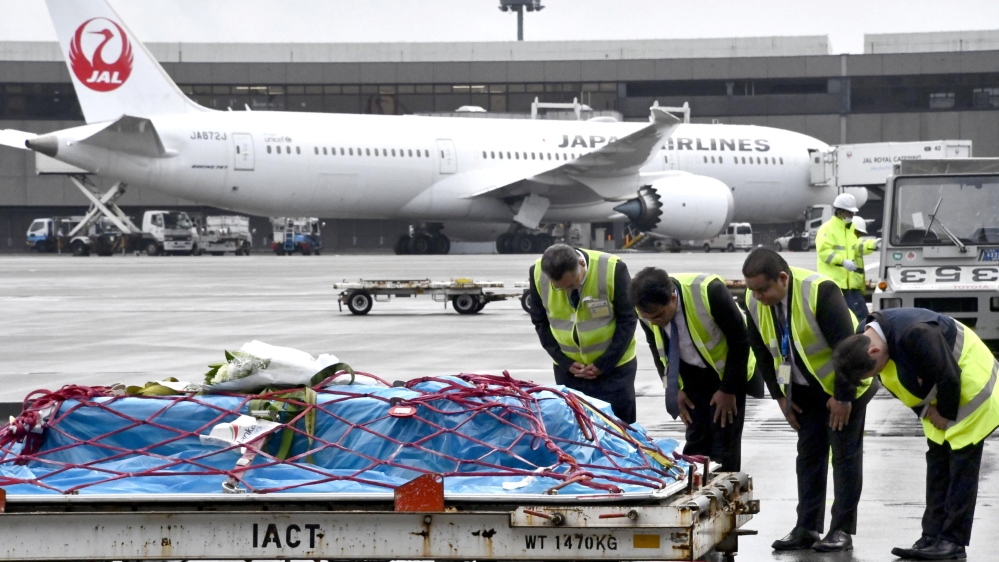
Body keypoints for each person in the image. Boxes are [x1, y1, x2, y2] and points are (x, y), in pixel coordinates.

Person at [833, 308, 999, 560]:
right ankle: (931, 536)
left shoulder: (916, 334)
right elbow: (898, 381)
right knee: (937, 464)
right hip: (944, 395)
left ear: (874, 352)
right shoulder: (865, 337)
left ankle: (953, 542)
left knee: (961, 468)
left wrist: (944, 412)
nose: (875, 376)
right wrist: (925, 409)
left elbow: (950, 377)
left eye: (871, 373)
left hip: (975, 388)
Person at [742, 248, 877, 553]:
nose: (758, 297)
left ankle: (841, 529)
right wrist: (780, 396)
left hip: (845, 384)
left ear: (783, 278)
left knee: (843, 456)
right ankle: (807, 527)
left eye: (763, 289)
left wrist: (842, 398)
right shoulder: (754, 300)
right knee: (809, 456)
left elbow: (846, 349)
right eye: (753, 290)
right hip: (804, 389)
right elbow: (762, 350)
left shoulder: (820, 292)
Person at [629, 267, 764, 472]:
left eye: (658, 316)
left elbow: (740, 341)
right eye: (648, 318)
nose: (654, 323)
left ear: (672, 298)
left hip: (726, 372)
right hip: (689, 374)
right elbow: (657, 348)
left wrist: (729, 390)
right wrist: (673, 388)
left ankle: (724, 489)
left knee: (724, 444)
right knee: (695, 442)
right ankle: (694, 488)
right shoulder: (646, 310)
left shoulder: (710, 292)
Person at [528, 244, 638, 423]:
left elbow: (628, 319)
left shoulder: (612, 269)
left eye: (572, 284)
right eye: (560, 287)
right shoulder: (538, 273)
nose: (568, 290)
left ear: (581, 263)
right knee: (578, 429)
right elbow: (540, 322)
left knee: (620, 429)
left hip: (614, 369)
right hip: (570, 372)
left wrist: (604, 364)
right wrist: (565, 362)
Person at [816, 193, 873, 323]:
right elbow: (824, 252)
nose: (852, 215)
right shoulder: (827, 229)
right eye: (850, 212)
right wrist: (842, 261)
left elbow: (857, 246)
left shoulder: (850, 228)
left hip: (849, 284)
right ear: (840, 211)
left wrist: (873, 245)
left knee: (859, 317)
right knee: (846, 319)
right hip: (834, 283)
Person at [848, 218, 879, 300]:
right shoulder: (849, 241)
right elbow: (860, 245)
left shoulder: (849, 240)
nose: (859, 235)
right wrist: (872, 244)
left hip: (854, 285)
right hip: (851, 287)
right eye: (858, 232)